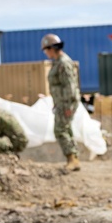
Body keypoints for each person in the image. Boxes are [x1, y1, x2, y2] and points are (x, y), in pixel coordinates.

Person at [41, 33, 81, 172]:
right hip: (62, 102)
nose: (46, 53)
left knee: (60, 130)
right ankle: (74, 159)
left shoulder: (63, 63)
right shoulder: (57, 62)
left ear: (52, 48)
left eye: (46, 50)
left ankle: (71, 158)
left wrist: (68, 106)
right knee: (66, 129)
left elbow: (69, 86)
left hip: (66, 103)